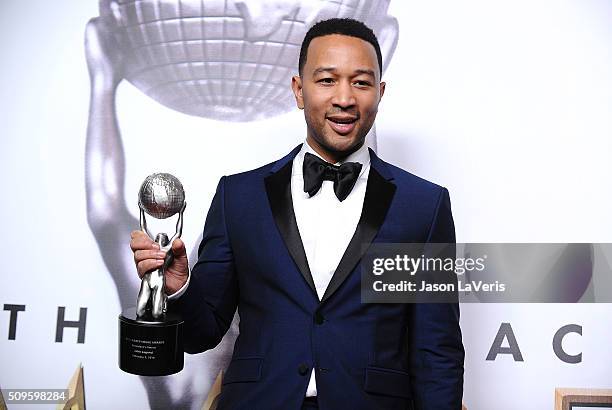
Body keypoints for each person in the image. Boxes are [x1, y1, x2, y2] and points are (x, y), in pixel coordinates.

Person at [131, 18, 464, 410]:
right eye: (327, 80)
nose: (345, 98)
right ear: (299, 90)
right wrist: (179, 288)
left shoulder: (423, 206)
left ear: (380, 91)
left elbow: (436, 352)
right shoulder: (238, 197)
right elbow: (201, 334)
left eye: (361, 82)